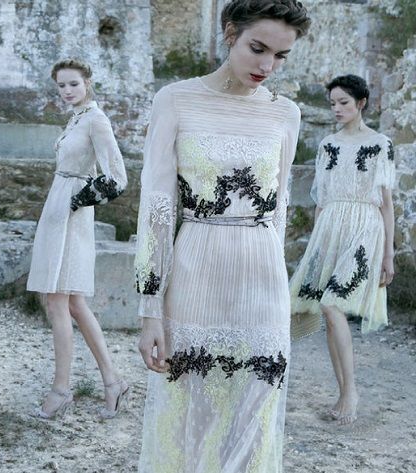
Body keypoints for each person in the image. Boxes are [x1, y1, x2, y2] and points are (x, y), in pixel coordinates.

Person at [134, 0, 309, 470]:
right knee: (194, 417)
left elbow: (279, 206)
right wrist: (150, 309)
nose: (267, 66)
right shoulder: (175, 99)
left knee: (254, 418)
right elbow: (156, 209)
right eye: (258, 48)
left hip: (262, 277)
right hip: (196, 268)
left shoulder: (286, 113)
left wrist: (282, 283)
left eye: (281, 56)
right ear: (230, 33)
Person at [289, 74, 395, 425]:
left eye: (344, 103)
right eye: (332, 103)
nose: (336, 109)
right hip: (330, 228)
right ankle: (342, 392)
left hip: (365, 226)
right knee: (326, 309)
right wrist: (314, 246)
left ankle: (351, 392)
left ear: (361, 103)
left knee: (332, 304)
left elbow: (386, 204)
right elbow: (321, 200)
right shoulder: (327, 145)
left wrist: (388, 254)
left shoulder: (380, 144)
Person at [26, 59, 129, 420]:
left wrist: (78, 200)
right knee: (72, 304)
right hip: (57, 207)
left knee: (58, 302)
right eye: (61, 86)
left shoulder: (96, 120)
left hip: (72, 212)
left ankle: (61, 390)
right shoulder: (76, 119)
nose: (67, 91)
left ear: (87, 82)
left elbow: (117, 176)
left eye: (73, 84)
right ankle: (113, 382)